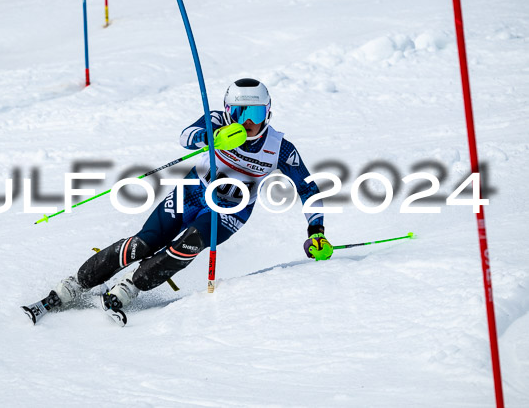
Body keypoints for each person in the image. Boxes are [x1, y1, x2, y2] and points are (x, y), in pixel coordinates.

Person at [23, 78, 333, 325]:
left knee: (190, 243)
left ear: (269, 113)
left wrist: (315, 231)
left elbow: (308, 189)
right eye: (239, 113)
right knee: (143, 244)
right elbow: (186, 136)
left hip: (230, 210)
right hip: (191, 191)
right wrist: (212, 137)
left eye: (256, 114)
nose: (248, 123)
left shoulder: (279, 148)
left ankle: (131, 288)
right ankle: (75, 285)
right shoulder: (217, 121)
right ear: (228, 110)